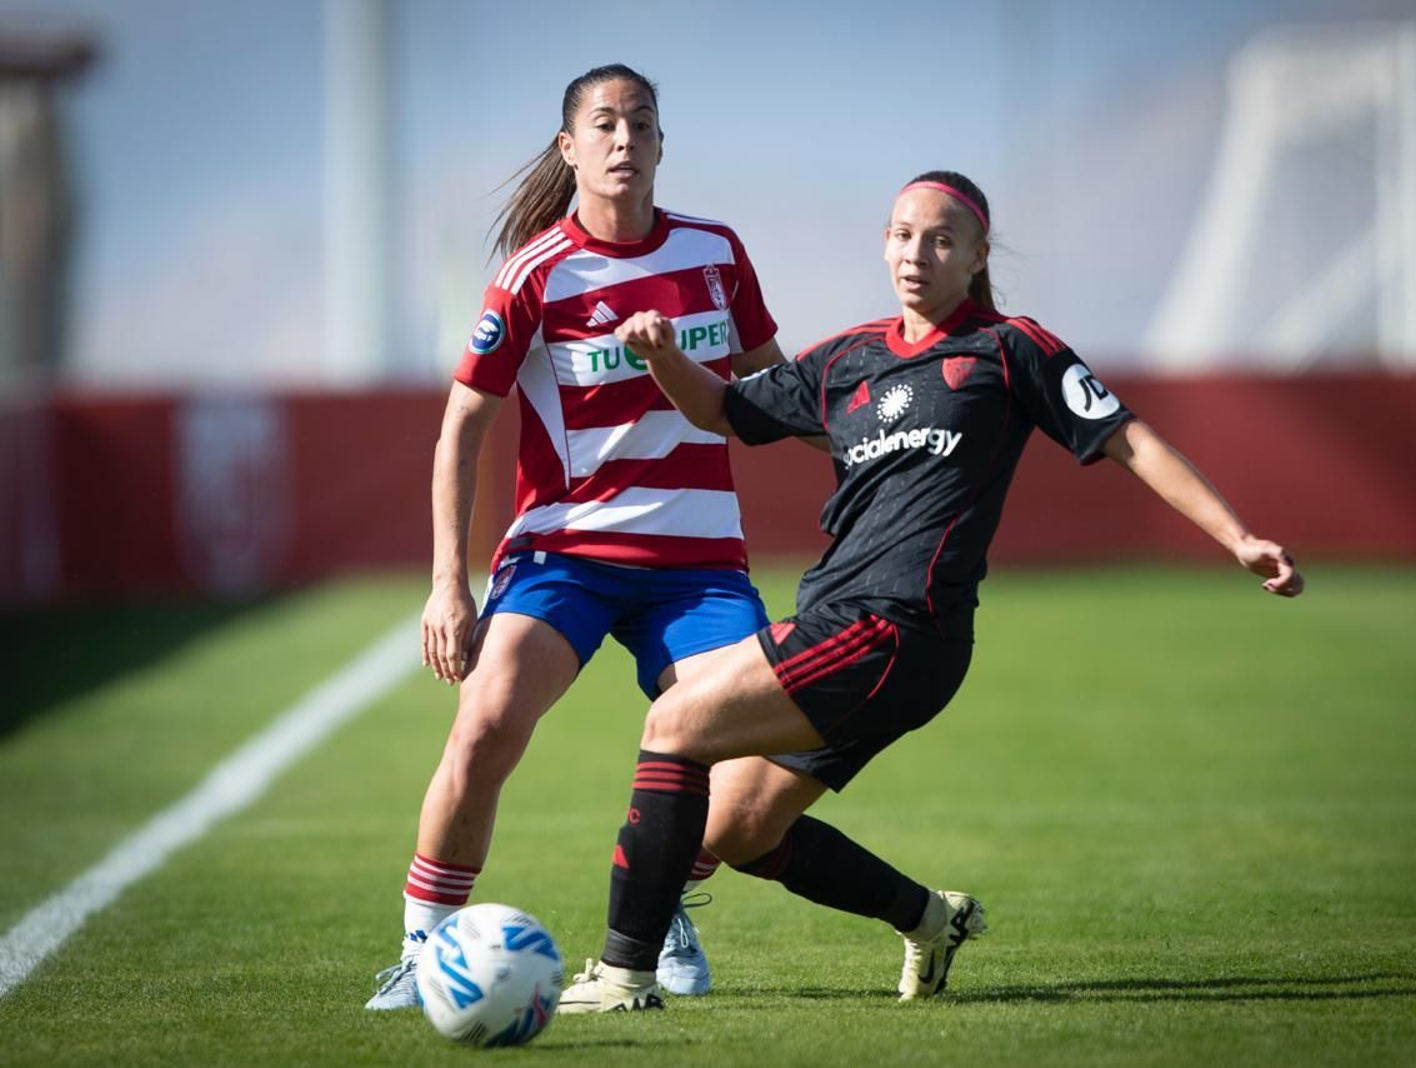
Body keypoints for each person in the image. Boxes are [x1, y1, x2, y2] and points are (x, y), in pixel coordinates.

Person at [556, 169, 1305, 1013]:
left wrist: (1237, 536)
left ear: (977, 255)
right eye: (904, 234)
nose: (918, 252)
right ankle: (928, 918)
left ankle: (625, 974)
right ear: (885, 244)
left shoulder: (1011, 347)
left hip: (897, 625)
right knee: (737, 829)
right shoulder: (846, 358)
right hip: (845, 623)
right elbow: (726, 413)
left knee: (674, 722)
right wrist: (663, 358)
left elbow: (1126, 437)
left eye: (942, 239)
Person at [365, 63, 791, 1009]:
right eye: (604, 124)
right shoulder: (534, 274)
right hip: (567, 557)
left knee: (739, 767)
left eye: (642, 122)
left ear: (662, 143)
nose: (624, 139)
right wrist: (448, 583)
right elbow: (461, 429)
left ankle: (661, 901)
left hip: (701, 564)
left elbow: (774, 388)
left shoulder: (717, 253)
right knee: (483, 726)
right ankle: (423, 948)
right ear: (570, 147)